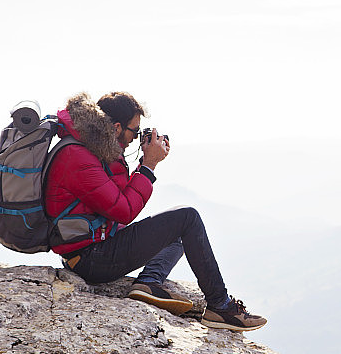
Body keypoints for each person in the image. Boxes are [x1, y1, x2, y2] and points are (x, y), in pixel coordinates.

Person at [43, 91, 266, 331]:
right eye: (134, 130)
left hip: (95, 246)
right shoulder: (78, 157)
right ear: (117, 128)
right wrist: (149, 166)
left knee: (179, 234)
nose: (135, 137)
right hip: (90, 258)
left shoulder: (88, 148)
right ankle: (220, 306)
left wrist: (142, 163)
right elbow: (124, 210)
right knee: (187, 217)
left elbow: (113, 199)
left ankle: (148, 282)